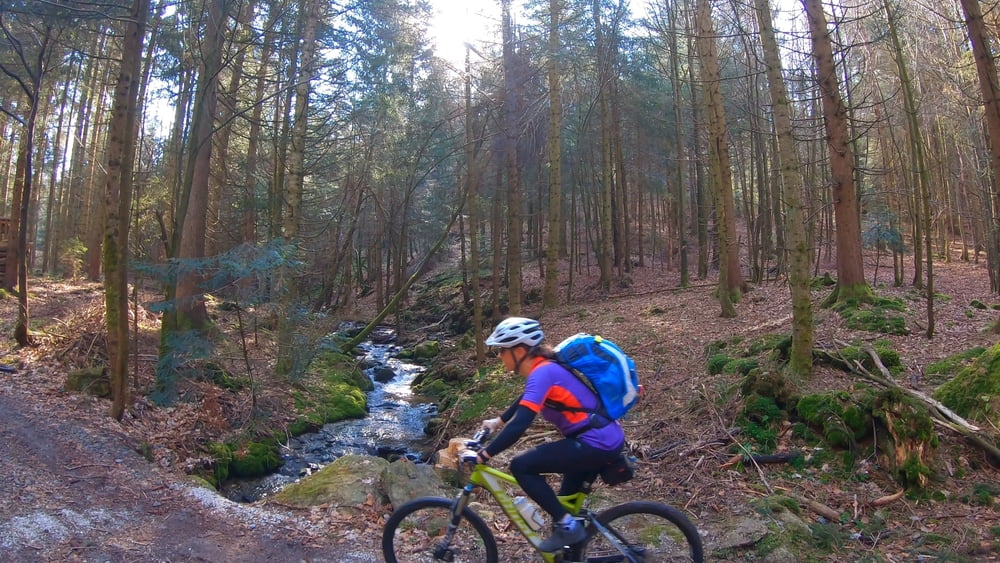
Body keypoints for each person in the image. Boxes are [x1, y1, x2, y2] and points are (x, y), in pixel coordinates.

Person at [472, 317, 626, 552]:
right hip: (599, 439)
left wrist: (484, 455)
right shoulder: (544, 369)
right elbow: (526, 398)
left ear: (520, 351)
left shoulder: (542, 373)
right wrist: (498, 421)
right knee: (564, 506)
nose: (499, 356)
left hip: (596, 443)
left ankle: (568, 528)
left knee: (521, 465)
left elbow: (520, 425)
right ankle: (574, 546)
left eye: (502, 351)